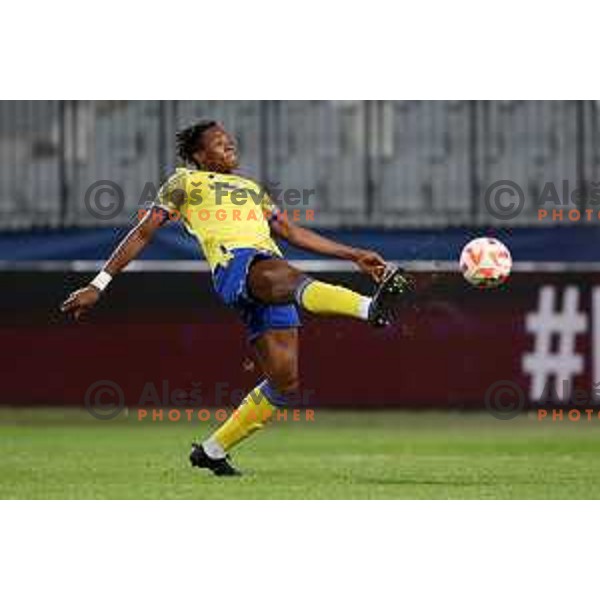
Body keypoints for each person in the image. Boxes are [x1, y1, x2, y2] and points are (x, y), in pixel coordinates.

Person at [61, 120, 415, 476]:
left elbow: (291, 231)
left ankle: (213, 451)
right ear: (199, 155)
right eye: (218, 143)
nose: (229, 146)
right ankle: (370, 307)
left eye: (230, 141)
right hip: (237, 264)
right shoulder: (185, 182)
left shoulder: (251, 188)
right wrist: (99, 283)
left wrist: (353, 255)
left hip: (267, 270)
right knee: (288, 277)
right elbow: (142, 233)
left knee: (284, 381)